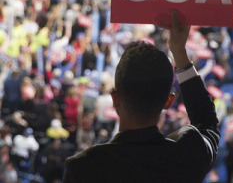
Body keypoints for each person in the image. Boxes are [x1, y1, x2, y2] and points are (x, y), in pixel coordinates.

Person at [63, 11, 220, 182]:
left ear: (115, 98)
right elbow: (208, 123)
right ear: (169, 101)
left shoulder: (82, 168)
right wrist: (179, 52)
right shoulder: (187, 158)